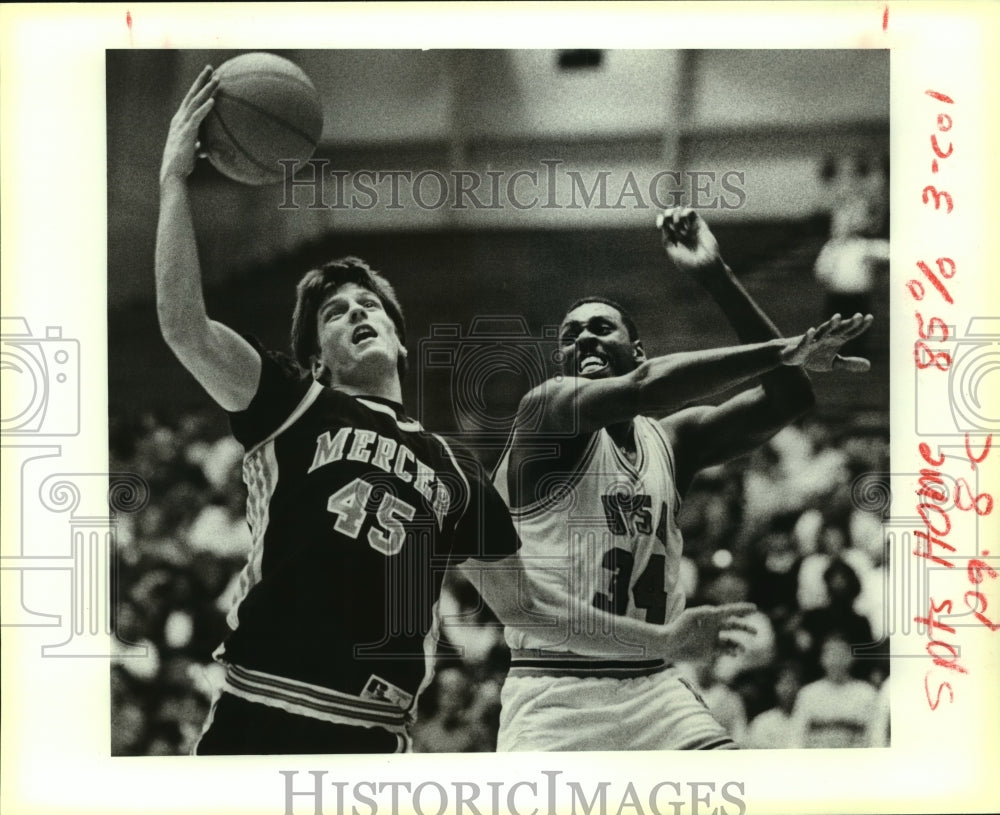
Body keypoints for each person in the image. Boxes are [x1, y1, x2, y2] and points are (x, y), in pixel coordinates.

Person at [156, 68, 755, 754]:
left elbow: (527, 609)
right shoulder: (296, 405)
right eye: (335, 311)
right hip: (262, 708)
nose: (358, 311)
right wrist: (175, 181)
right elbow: (184, 327)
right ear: (318, 357)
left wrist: (664, 639)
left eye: (369, 304)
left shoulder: (456, 472)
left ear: (400, 338)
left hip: (377, 737)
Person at [491, 206, 874, 751]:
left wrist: (714, 274)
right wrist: (780, 349)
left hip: (654, 687)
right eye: (571, 334)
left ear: (636, 347)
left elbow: (789, 395)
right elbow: (648, 385)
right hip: (555, 694)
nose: (584, 339)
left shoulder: (670, 442)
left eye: (602, 327)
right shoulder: (545, 413)